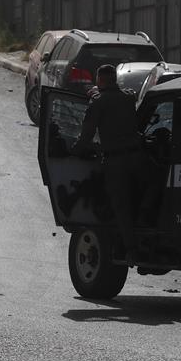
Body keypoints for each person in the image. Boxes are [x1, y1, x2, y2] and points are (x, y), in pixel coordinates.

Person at [73, 64, 142, 265]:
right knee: (138, 199)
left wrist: (74, 150)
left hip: (116, 161)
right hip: (138, 159)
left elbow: (86, 136)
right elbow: (129, 93)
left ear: (100, 81)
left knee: (120, 206)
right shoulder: (128, 97)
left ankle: (131, 250)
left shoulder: (99, 103)